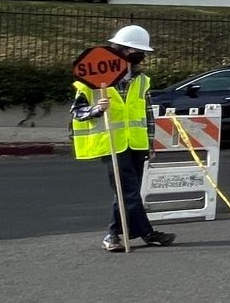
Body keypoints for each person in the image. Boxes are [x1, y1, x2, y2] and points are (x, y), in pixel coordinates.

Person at [71, 25, 176, 252]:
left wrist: (150, 143)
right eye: (134, 50)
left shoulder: (141, 80)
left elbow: (147, 114)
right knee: (127, 191)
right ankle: (147, 233)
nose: (140, 56)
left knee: (127, 192)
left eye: (141, 52)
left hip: (136, 143)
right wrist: (96, 110)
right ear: (119, 50)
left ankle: (112, 236)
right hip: (112, 143)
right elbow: (77, 112)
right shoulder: (93, 78)